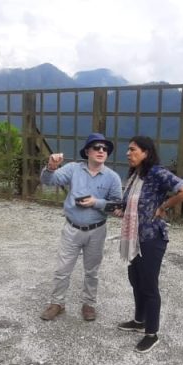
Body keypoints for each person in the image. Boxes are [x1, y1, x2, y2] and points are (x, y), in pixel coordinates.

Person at [113, 136, 183, 353]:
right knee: (135, 279)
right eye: (128, 150)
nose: (128, 153)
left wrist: (164, 206)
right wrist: (121, 210)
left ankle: (152, 333)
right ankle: (139, 321)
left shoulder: (157, 173)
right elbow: (132, 204)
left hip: (151, 239)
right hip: (134, 238)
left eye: (133, 150)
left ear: (146, 153)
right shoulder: (135, 176)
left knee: (149, 285)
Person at [38, 133, 123, 322]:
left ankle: (89, 304)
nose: (101, 151)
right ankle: (57, 303)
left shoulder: (113, 178)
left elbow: (117, 205)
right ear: (87, 151)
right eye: (96, 147)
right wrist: (51, 166)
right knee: (62, 269)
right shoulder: (73, 169)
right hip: (72, 228)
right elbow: (48, 181)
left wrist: (96, 202)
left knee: (92, 271)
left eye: (105, 148)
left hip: (97, 230)